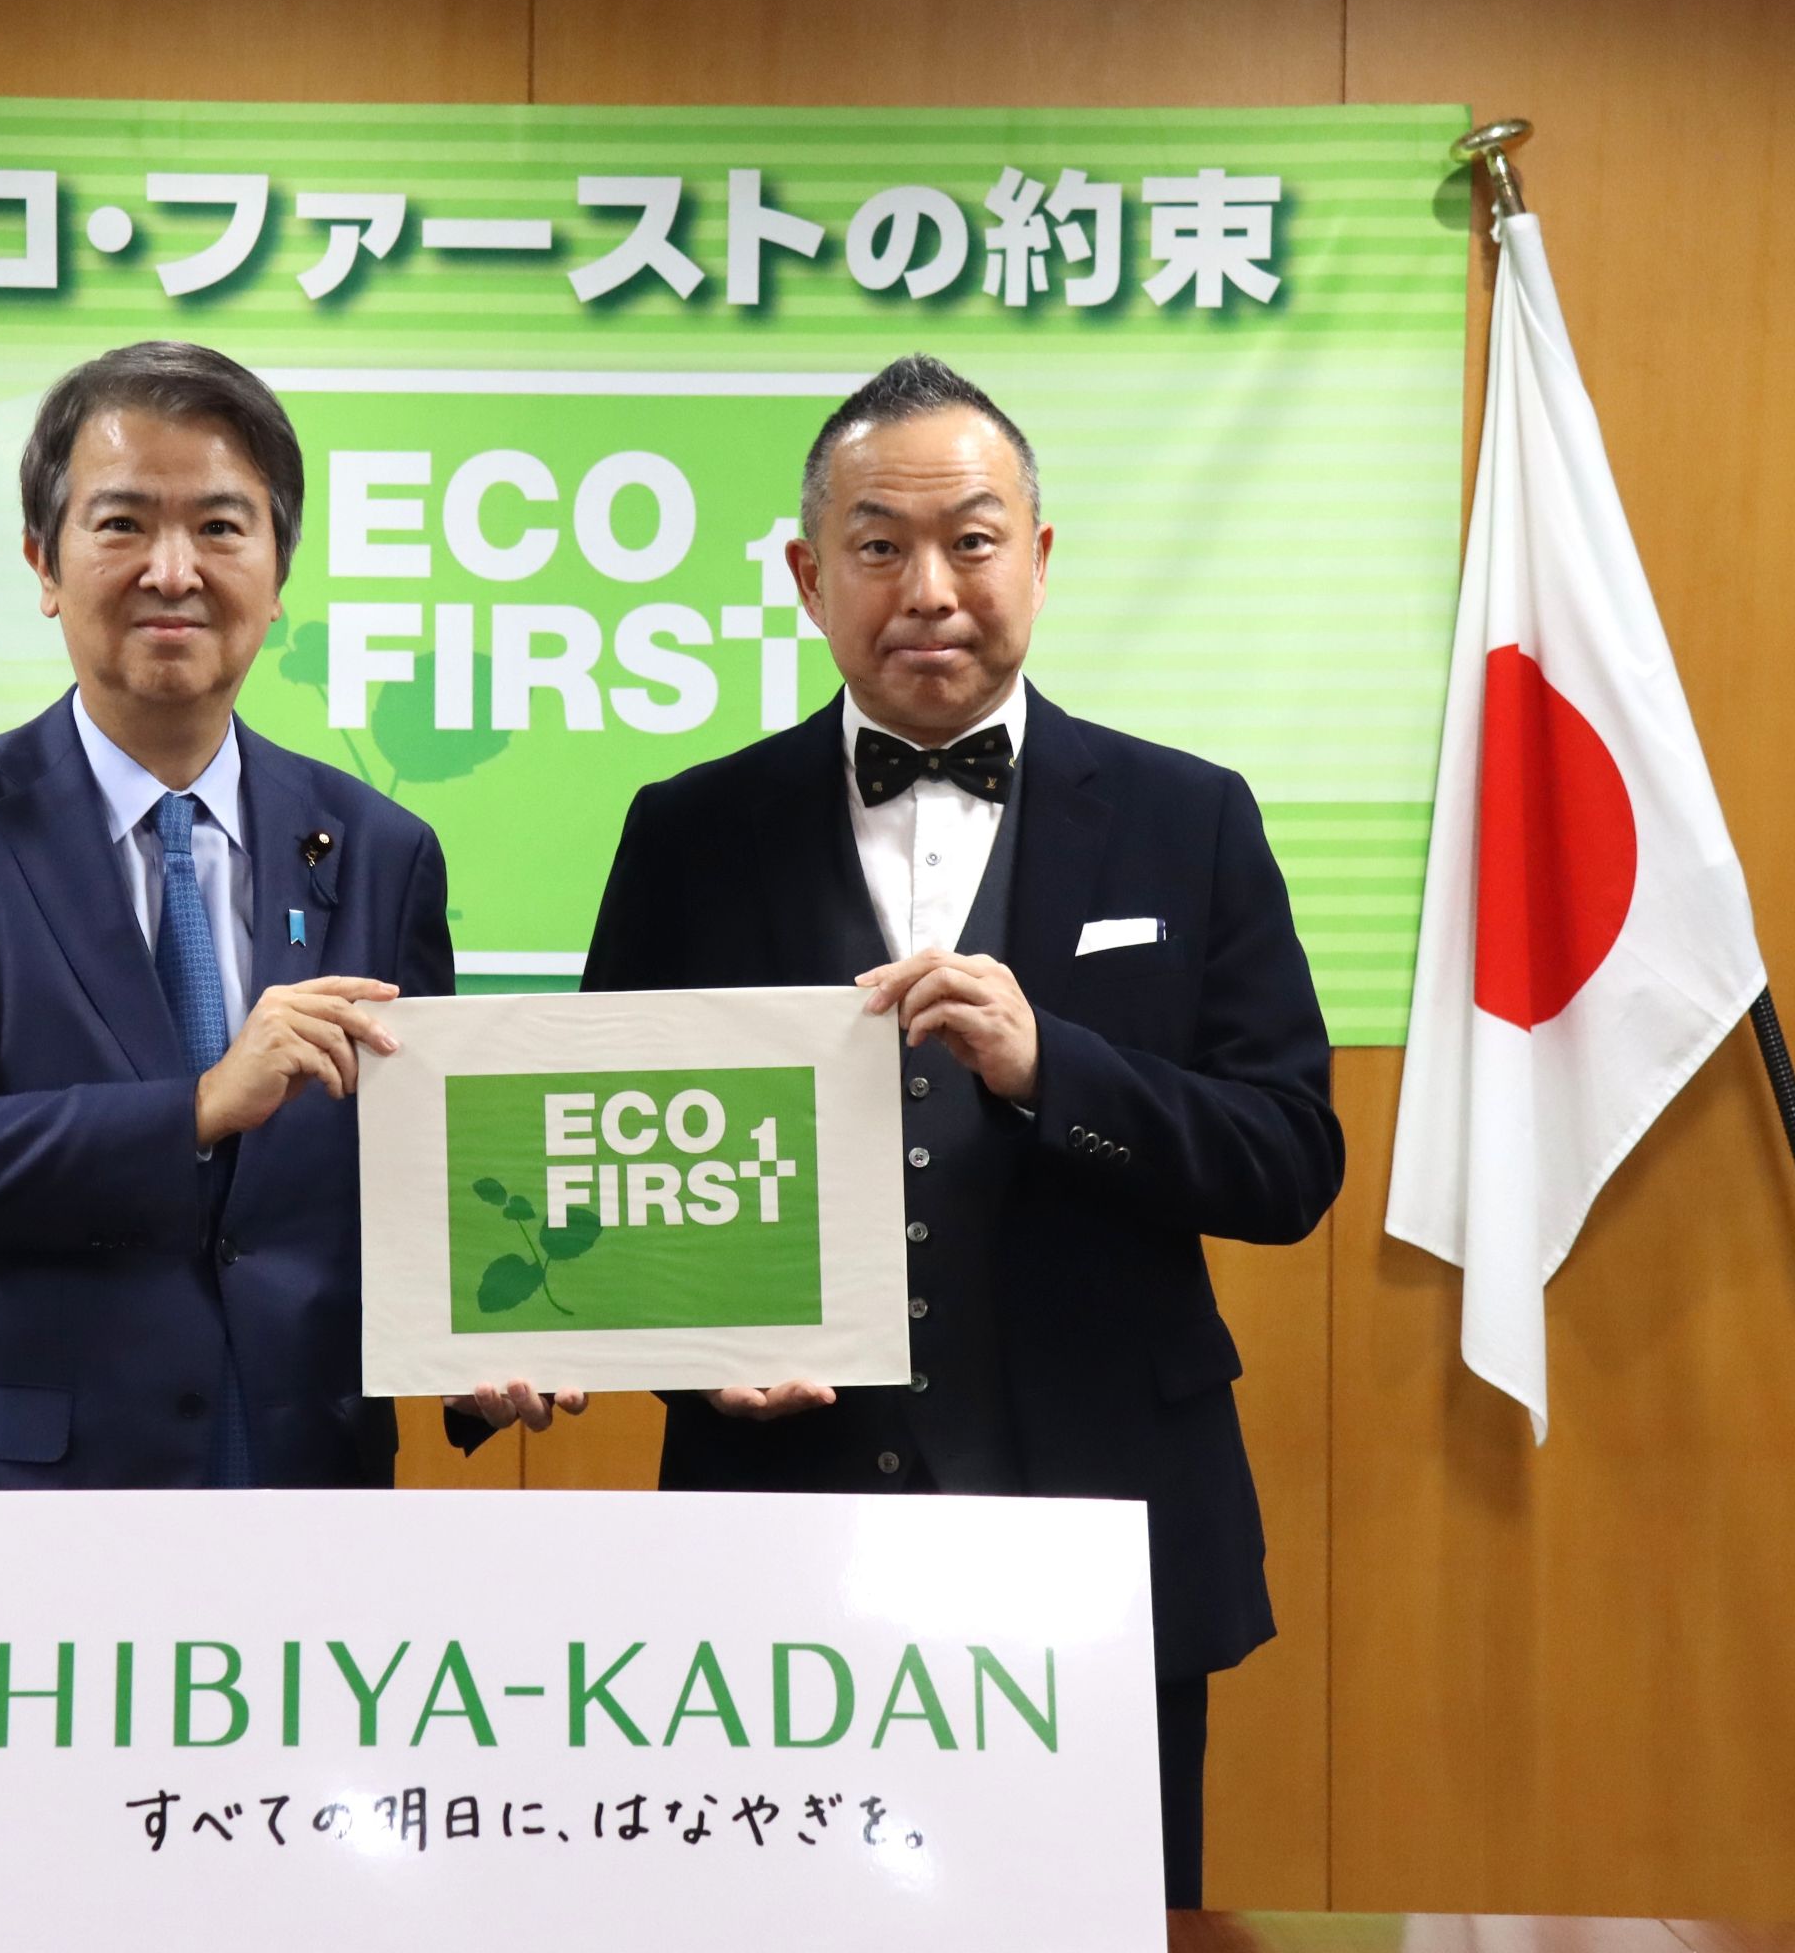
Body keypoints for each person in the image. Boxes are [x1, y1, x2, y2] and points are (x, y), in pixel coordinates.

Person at [576, 354, 1344, 1906]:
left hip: (1098, 1535)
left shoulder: (1191, 818)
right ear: (808, 577)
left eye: (972, 541)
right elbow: (600, 1177)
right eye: (879, 546)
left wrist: (1057, 1067)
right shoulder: (689, 831)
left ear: (1038, 559)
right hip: (776, 1545)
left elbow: (1287, 1160)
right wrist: (694, 1356)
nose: (929, 589)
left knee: (1101, 1925)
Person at [0, 340, 562, 1490]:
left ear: (277, 569)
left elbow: (417, 1169)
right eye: (122, 524)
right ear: (43, 561)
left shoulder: (380, 848)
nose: (173, 571)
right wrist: (199, 1107)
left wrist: (480, 1339)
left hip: (303, 1475)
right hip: (27, 1496)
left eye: (218, 526)